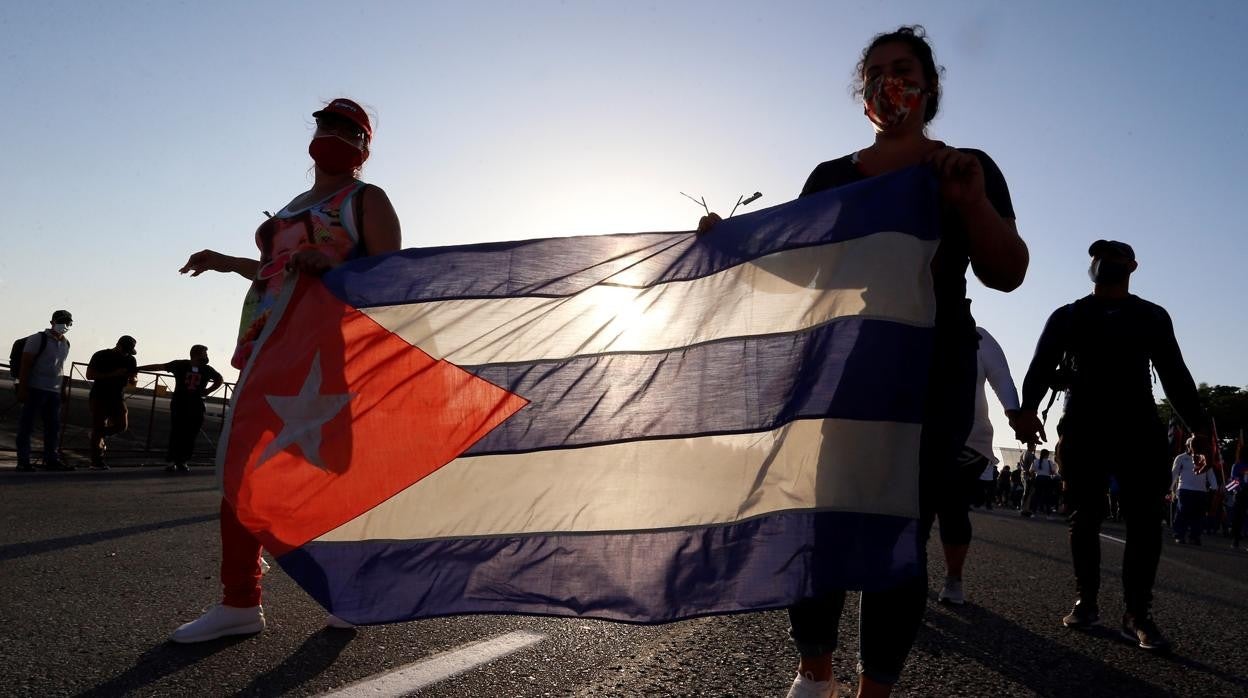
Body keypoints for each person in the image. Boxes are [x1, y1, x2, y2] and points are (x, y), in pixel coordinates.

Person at [700, 26, 1028, 698]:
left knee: (896, 533)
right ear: (863, 94)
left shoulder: (965, 166)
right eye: (875, 73)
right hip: (845, 366)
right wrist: (733, 246)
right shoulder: (832, 178)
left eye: (902, 69)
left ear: (929, 85)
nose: (889, 83)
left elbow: (1009, 270)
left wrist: (969, 203)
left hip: (931, 370)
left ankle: (872, 689)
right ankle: (813, 674)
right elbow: (802, 269)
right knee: (823, 519)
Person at [169, 98, 401, 643]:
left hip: (324, 352)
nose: (332, 133)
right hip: (265, 345)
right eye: (326, 122)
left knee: (332, 472)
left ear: (364, 146)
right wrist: (227, 262)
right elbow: (276, 270)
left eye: (348, 128)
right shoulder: (296, 203)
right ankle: (239, 600)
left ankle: (353, 592)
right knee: (240, 466)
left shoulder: (366, 198)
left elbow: (392, 275)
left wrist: (338, 264)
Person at [1014, 239, 1208, 653]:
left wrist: (1199, 429)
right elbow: (1040, 365)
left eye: (1114, 256)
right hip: (1084, 426)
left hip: (1138, 427)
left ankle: (1137, 614)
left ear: (1132, 266)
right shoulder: (1068, 316)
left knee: (1144, 520)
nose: (1105, 262)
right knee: (1085, 516)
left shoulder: (1150, 316)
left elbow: (1174, 374)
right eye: (1098, 257)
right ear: (1092, 268)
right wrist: (1027, 410)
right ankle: (1086, 601)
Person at [937, 326, 1021, 606]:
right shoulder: (911, 323)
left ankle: (953, 578)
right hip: (915, 435)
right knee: (913, 513)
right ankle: (904, 580)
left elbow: (1001, 378)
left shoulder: (978, 336)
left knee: (952, 510)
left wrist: (1015, 414)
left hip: (969, 440)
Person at [137, 345, 223, 473]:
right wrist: (138, 369)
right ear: (197, 354)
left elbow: (219, 379)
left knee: (190, 432)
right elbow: (160, 366)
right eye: (205, 353)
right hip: (183, 402)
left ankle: (181, 460)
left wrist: (208, 390)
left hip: (191, 403)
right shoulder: (185, 365)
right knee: (179, 431)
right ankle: (174, 460)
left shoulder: (200, 368)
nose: (206, 356)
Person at [15, 310, 74, 471]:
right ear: (52, 322)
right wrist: (22, 388)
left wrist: (62, 390)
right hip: (35, 388)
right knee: (27, 426)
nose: (65, 325)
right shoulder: (38, 339)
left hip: (53, 391)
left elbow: (60, 368)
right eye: (62, 321)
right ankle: (23, 461)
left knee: (53, 427)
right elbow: (25, 364)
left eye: (68, 322)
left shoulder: (66, 343)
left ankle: (51, 459)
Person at [85, 335, 138, 470]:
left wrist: (133, 379)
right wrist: (113, 374)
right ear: (118, 345)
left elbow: (133, 378)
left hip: (117, 397)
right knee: (99, 424)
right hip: (99, 395)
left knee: (121, 425)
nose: (126, 353)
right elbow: (90, 375)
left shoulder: (131, 359)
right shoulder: (101, 355)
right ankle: (96, 461)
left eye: (129, 351)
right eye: (125, 350)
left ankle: (97, 435)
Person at [1170, 437, 1218, 545]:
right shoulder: (1180, 458)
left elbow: (1210, 474)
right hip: (1184, 490)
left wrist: (1214, 487)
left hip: (1201, 491)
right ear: (1188, 446)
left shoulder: (1204, 458)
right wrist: (1169, 489)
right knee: (1182, 513)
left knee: (1199, 515)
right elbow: (1174, 474)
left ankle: (1194, 536)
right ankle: (1179, 535)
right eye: (1191, 445)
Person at [1030, 448, 1057, 518]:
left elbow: (1031, 471)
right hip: (1047, 479)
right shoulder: (1050, 462)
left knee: (1036, 496)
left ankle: (1033, 513)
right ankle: (1048, 515)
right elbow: (1053, 472)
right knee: (1048, 497)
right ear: (1047, 455)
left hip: (1038, 478)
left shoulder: (1036, 461)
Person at [1231, 455, 1248, 550]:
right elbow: (1235, 480)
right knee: (1238, 518)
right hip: (1241, 494)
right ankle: (1236, 539)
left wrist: (1237, 489)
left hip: (1240, 494)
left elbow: (1234, 480)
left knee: (1238, 518)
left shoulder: (1236, 466)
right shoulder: (1237, 466)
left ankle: (1235, 540)